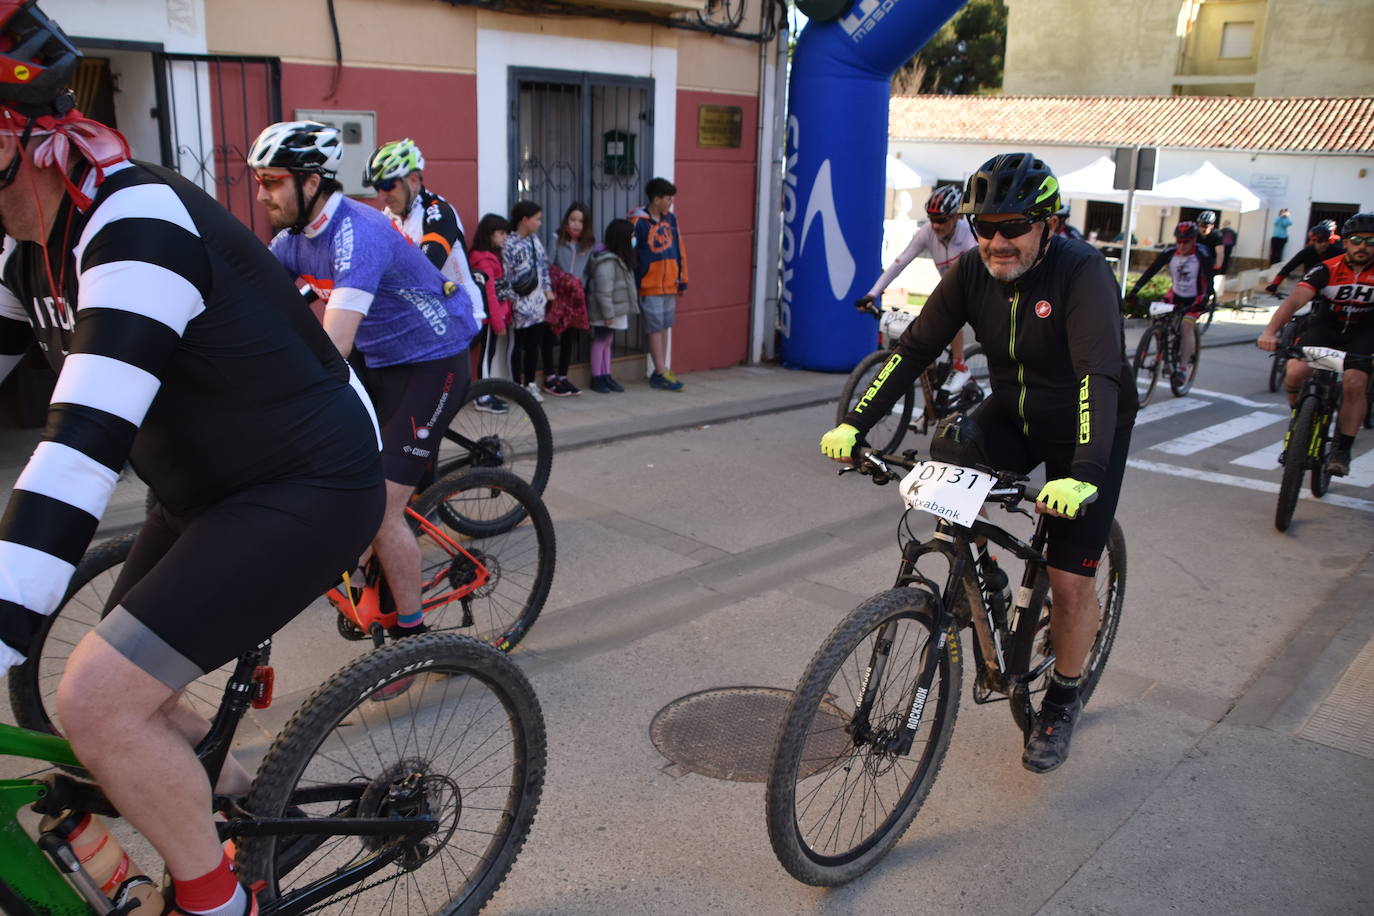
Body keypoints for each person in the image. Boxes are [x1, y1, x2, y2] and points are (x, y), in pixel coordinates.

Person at [0, 5, 385, 914]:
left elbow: (78, 450)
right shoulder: (26, 251)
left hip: (307, 483)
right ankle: (242, 791)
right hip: (202, 491)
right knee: (97, 688)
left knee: (97, 703)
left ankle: (221, 903)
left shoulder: (135, 224)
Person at [820, 152, 1137, 775]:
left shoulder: (1082, 273)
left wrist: (1086, 475)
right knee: (950, 443)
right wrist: (856, 421)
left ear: (1047, 224)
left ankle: (1063, 700)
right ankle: (980, 570)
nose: (996, 240)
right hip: (1017, 411)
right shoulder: (969, 271)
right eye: (984, 226)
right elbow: (911, 351)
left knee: (1070, 581)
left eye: (1013, 225)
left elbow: (1098, 378)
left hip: (1085, 426)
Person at [249, 120, 478, 649]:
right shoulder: (291, 243)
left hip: (433, 362)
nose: (262, 193)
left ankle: (410, 640)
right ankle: (368, 564)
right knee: (342, 480)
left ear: (311, 182)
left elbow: (333, 350)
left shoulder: (359, 233)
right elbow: (251, 302)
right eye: (258, 180)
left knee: (379, 511)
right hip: (383, 361)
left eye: (272, 181)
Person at [363, 138, 505, 414]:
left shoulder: (437, 212)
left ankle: (420, 445)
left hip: (461, 313)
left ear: (413, 179)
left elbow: (426, 266)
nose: (382, 194)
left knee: (416, 405)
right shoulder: (390, 217)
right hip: (425, 313)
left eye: (388, 185)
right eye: (377, 187)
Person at [1257, 212, 1374, 476]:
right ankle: (1300, 424)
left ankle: (1342, 449)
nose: (1363, 247)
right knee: (1296, 371)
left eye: (1371, 242)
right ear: (1345, 243)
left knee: (1356, 383)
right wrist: (1270, 331)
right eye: (1356, 240)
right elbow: (1294, 301)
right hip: (1326, 328)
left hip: (1364, 332)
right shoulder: (1326, 268)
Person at [856, 183, 976, 380]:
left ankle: (959, 364)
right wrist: (872, 294)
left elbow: (980, 271)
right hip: (949, 285)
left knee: (953, 313)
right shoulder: (927, 232)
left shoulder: (967, 235)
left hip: (971, 285)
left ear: (956, 217)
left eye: (942, 220)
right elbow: (900, 262)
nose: (936, 225)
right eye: (932, 219)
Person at [1126, 220, 1214, 389]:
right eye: (1178, 241)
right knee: (1159, 320)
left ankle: (1181, 368)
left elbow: (1209, 280)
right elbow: (1151, 271)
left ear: (1194, 240)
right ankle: (1163, 353)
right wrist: (1135, 290)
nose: (1181, 246)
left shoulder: (1201, 254)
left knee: (1186, 326)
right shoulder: (1170, 252)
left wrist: (1205, 298)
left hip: (1196, 297)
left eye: (1186, 242)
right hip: (1175, 294)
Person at [630, 176, 688, 391]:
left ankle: (662, 368)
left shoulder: (670, 220)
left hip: (669, 283)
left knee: (665, 326)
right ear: (656, 200)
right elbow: (633, 252)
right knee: (654, 327)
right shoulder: (639, 223)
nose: (670, 201)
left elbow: (679, 249)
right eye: (667, 198)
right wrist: (637, 280)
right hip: (650, 284)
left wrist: (682, 279)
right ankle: (660, 371)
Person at [544, 201, 595, 396]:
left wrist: (581, 285)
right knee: (550, 334)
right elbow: (548, 264)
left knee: (569, 337)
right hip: (557, 294)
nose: (575, 224)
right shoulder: (557, 239)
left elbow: (589, 269)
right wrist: (550, 288)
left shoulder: (588, 244)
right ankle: (549, 376)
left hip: (575, 296)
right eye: (572, 219)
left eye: (580, 221)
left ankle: (563, 375)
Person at [503, 199, 552, 402]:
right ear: (525, 220)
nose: (539, 223)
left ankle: (530, 383)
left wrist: (547, 290)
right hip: (519, 304)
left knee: (534, 344)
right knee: (518, 345)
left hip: (537, 303)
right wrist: (512, 299)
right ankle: (516, 385)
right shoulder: (509, 243)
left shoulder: (535, 241)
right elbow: (505, 274)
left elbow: (543, 266)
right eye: (537, 219)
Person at [584, 217, 640, 393]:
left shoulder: (618, 259)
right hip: (605, 312)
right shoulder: (607, 262)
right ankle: (597, 377)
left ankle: (606, 375)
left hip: (613, 310)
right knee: (600, 341)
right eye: (631, 235)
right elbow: (603, 291)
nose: (634, 239)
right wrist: (608, 315)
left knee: (608, 341)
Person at [469, 212, 513, 398]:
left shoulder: (491, 257)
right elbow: (490, 294)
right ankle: (483, 397)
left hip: (491, 317)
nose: (505, 237)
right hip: (488, 319)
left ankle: (485, 395)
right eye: (501, 233)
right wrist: (498, 322)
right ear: (489, 234)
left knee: (488, 354)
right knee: (485, 356)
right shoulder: (484, 260)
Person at [1267, 221, 1344, 294]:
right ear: (1313, 241)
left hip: (1329, 282)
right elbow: (1289, 267)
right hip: (1311, 280)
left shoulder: (1335, 250)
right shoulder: (1307, 251)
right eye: (1320, 241)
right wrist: (1275, 284)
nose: (1324, 244)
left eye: (1326, 240)